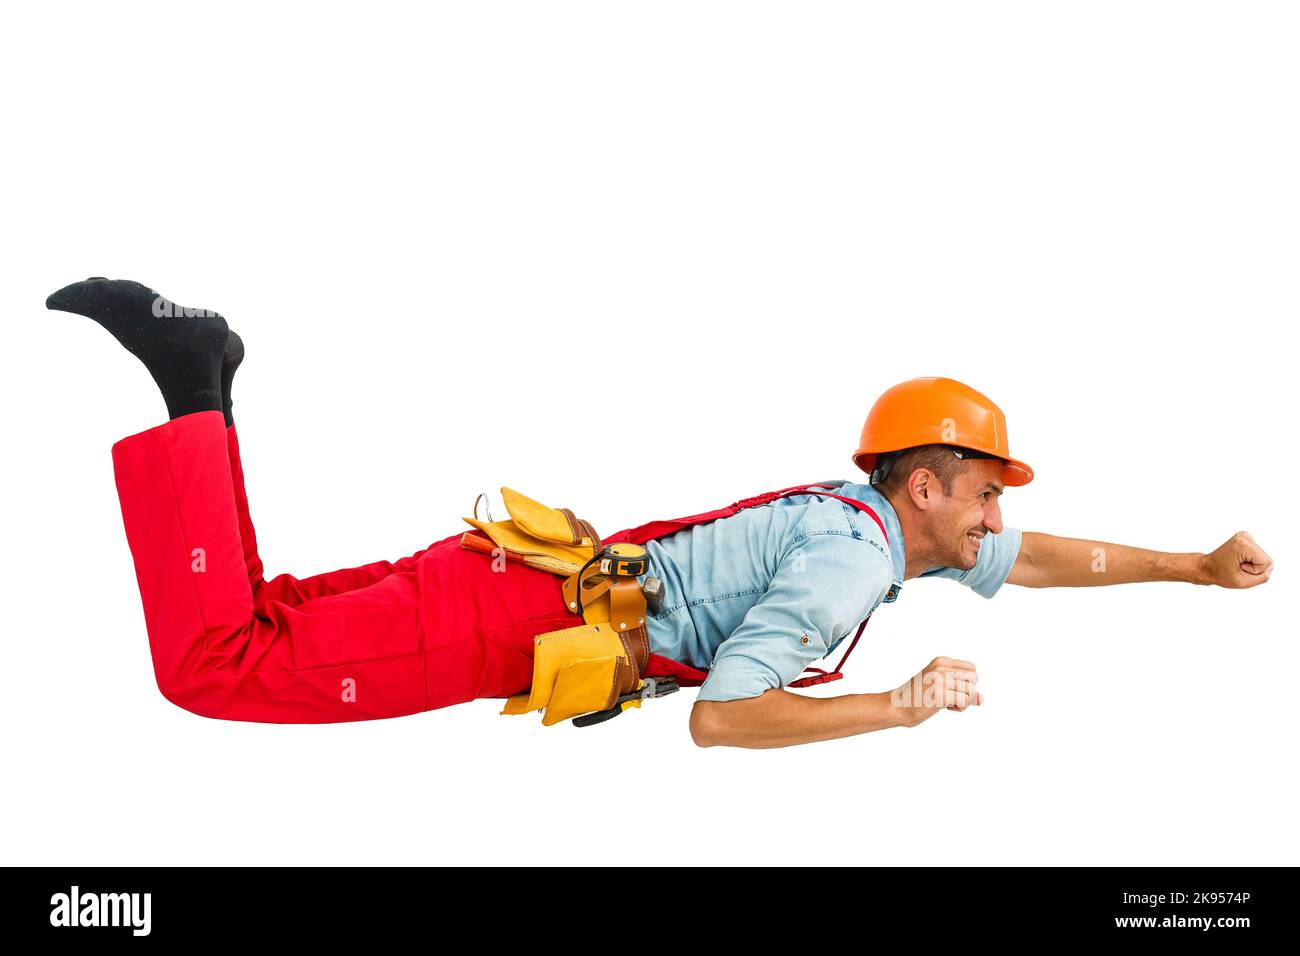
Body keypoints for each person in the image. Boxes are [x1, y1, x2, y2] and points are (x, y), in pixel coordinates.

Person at [46, 278, 1274, 748]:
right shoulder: (850, 570)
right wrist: (890, 707)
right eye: (989, 487)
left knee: (255, 622)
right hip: (500, 621)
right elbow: (725, 721)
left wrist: (1189, 565)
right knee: (220, 663)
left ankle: (197, 386)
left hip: (515, 580)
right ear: (926, 482)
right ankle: (191, 379)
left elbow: (1046, 558)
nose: (999, 512)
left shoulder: (871, 526)